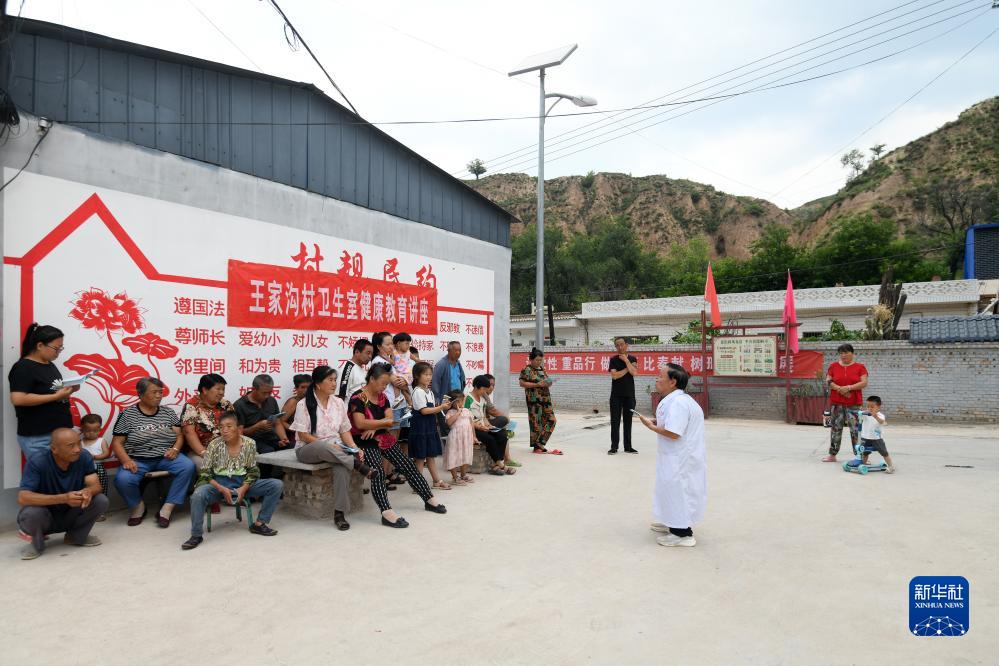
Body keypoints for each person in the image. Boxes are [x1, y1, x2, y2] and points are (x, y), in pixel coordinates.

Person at [348, 364, 446, 528]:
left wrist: (374, 426)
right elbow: (360, 423)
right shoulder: (357, 398)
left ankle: (429, 499)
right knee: (378, 472)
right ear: (372, 379)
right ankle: (386, 512)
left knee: (407, 464)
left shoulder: (382, 398)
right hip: (363, 441)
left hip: (382, 436)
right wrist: (380, 423)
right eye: (382, 383)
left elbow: (390, 420)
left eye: (387, 384)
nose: (384, 387)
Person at [290, 365, 374, 531]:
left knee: (342, 468)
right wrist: (330, 446)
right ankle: (357, 465)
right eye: (330, 380)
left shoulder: (338, 403)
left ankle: (339, 514)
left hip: (336, 450)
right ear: (318, 384)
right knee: (322, 445)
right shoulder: (303, 404)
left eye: (335, 380)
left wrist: (354, 448)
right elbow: (303, 435)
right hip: (308, 449)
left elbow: (344, 430)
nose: (334, 383)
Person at [182, 413, 283, 550]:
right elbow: (205, 473)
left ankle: (259, 524)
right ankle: (196, 535)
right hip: (219, 484)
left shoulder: (249, 443)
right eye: (221, 427)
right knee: (198, 495)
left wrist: (243, 488)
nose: (224, 430)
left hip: (243, 482)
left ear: (239, 428)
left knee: (276, 485)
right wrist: (221, 488)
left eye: (229, 426)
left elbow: (253, 472)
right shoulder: (214, 445)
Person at [111, 377, 196, 528]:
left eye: (160, 392)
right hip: (138, 459)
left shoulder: (168, 412)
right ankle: (138, 507)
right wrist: (126, 460)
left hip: (165, 457)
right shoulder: (128, 414)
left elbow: (179, 435)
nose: (159, 396)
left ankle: (167, 508)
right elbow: (117, 443)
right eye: (154, 392)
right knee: (122, 479)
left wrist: (175, 449)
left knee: (187, 466)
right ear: (140, 394)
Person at [637, 363, 706, 548]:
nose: (657, 380)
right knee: (668, 490)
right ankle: (671, 521)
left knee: (678, 492)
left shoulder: (678, 403)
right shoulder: (676, 400)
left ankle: (683, 534)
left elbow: (674, 433)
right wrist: (657, 422)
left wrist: (651, 427)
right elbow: (672, 424)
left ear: (673, 382)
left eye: (660, 377)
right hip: (673, 456)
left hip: (680, 460)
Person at [16, 428, 108, 560]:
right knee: (31, 513)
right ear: (54, 449)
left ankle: (75, 536)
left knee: (100, 500)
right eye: (71, 446)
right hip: (45, 516)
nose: (77, 449)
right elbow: (23, 497)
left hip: (71, 512)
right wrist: (64, 498)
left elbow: (96, 486)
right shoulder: (38, 461)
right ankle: (37, 543)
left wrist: (88, 491)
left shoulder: (84, 456)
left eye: (79, 443)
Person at [8, 323, 77, 458]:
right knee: (44, 471)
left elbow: (52, 391)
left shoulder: (50, 365)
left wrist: (70, 389)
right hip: (39, 436)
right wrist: (56, 396)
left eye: (61, 348)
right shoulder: (23, 367)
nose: (58, 352)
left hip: (59, 433)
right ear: (40, 346)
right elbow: (18, 399)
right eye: (56, 348)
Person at [234, 374, 289, 479]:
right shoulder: (240, 405)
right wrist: (257, 426)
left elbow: (277, 423)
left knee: (290, 447)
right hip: (253, 440)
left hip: (272, 437)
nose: (267, 396)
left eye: (270, 392)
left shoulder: (271, 401)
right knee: (268, 451)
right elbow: (239, 433)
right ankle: (264, 481)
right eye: (264, 393)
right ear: (254, 389)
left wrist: (283, 438)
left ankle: (285, 480)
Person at [372, 332, 409, 485]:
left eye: (391, 344)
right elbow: (397, 381)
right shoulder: (378, 362)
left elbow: (405, 379)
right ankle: (383, 475)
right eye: (387, 344)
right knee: (387, 441)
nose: (391, 347)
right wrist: (404, 380)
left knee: (394, 440)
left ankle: (389, 472)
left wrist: (405, 380)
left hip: (398, 403)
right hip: (388, 405)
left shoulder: (390, 360)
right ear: (378, 346)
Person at [822, 343, 868, 463]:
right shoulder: (833, 366)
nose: (843, 355)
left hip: (854, 404)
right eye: (841, 353)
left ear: (852, 353)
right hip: (837, 404)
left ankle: (860, 456)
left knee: (856, 430)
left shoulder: (860, 367)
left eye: (846, 352)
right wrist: (839, 389)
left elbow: (864, 383)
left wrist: (848, 388)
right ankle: (832, 455)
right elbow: (828, 380)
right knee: (836, 429)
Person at [409, 362, 451, 491]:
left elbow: (432, 410)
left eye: (430, 374)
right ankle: (418, 485)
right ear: (417, 376)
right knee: (420, 457)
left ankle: (437, 481)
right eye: (425, 374)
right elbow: (424, 410)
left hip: (429, 427)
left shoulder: (429, 392)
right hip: (420, 428)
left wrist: (441, 408)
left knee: (430, 455)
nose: (428, 377)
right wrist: (441, 407)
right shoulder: (418, 392)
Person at [180, 373, 234, 468]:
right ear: (205, 390)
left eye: (223, 389)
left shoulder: (225, 405)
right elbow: (189, 433)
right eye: (218, 389)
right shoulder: (192, 406)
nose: (222, 393)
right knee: (207, 466)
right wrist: (204, 453)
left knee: (250, 456)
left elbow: (234, 427)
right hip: (199, 451)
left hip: (226, 448)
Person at [467, 375, 515, 476]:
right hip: (472, 429)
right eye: (483, 389)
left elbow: (483, 416)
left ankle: (496, 465)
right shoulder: (467, 398)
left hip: (483, 427)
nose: (485, 392)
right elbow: (466, 418)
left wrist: (489, 425)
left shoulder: (483, 399)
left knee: (502, 435)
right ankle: (501, 465)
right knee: (490, 439)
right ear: (476, 387)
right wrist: (479, 426)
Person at [519, 348, 559, 455]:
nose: (539, 362)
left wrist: (549, 382)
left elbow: (547, 380)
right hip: (534, 401)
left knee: (552, 420)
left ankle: (540, 443)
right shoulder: (526, 369)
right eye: (537, 360)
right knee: (536, 424)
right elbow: (522, 383)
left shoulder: (542, 369)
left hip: (545, 400)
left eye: (540, 360)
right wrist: (537, 384)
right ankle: (537, 447)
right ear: (531, 359)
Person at [481, 373, 521, 468]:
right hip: (480, 425)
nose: (491, 387)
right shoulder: (482, 394)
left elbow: (490, 411)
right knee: (503, 420)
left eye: (493, 385)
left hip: (485, 423)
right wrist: (506, 419)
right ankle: (506, 459)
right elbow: (492, 411)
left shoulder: (484, 395)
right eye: (490, 385)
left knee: (503, 431)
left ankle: (503, 460)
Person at [608, 337, 639, 455]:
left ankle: (628, 447)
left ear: (626, 345)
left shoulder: (632, 358)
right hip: (616, 395)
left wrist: (626, 361)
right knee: (615, 421)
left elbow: (634, 373)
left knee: (628, 421)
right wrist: (628, 368)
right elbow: (615, 376)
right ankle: (614, 447)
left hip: (629, 395)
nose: (619, 347)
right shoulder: (613, 360)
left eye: (621, 344)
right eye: (617, 345)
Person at [79, 413, 111, 519]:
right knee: (84, 489)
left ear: (100, 429)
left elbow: (106, 454)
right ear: (82, 430)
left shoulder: (101, 441)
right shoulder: (80, 442)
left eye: (95, 430)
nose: (91, 433)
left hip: (98, 467)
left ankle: (100, 512)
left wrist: (94, 457)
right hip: (83, 470)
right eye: (88, 431)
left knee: (101, 488)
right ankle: (84, 510)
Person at [442, 390, 474, 485]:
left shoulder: (467, 411)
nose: (462, 402)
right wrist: (458, 412)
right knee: (453, 456)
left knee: (465, 455)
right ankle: (455, 477)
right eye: (459, 401)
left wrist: (474, 436)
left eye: (462, 400)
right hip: (455, 438)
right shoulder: (450, 412)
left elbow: (471, 424)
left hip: (466, 438)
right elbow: (449, 423)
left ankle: (463, 475)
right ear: (453, 402)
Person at [859, 395, 895, 474]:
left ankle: (891, 466)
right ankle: (863, 464)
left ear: (878, 407)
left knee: (884, 452)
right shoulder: (866, 415)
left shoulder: (880, 415)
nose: (869, 408)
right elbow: (860, 418)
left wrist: (875, 416)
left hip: (877, 438)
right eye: (868, 406)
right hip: (865, 437)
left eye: (872, 407)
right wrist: (861, 413)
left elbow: (882, 422)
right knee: (864, 452)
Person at [280, 374, 312, 448]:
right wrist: (297, 430)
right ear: (296, 388)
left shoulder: (313, 401)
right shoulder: (293, 402)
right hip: (295, 437)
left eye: (308, 387)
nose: (306, 390)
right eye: (302, 387)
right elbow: (281, 421)